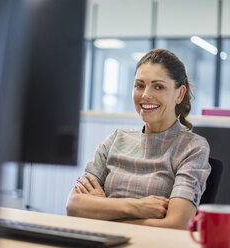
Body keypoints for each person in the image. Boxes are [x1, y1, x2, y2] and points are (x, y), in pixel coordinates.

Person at [66, 49, 211, 230]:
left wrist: (103, 210)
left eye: (158, 86)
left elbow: (176, 224)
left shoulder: (192, 147)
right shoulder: (116, 140)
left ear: (179, 94)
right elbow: (73, 205)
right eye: (139, 85)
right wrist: (138, 207)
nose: (145, 95)